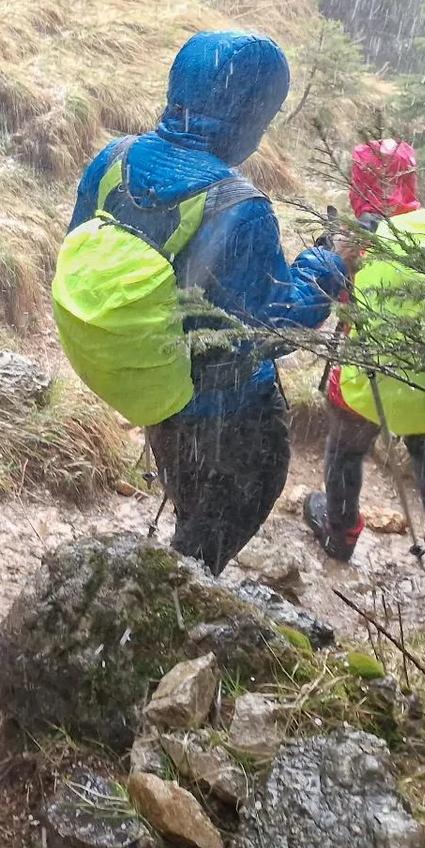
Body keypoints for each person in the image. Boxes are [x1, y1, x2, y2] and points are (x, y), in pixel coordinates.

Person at [69, 30, 348, 574]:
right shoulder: (237, 206)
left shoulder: (111, 160)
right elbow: (276, 323)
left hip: (156, 389)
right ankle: (166, 603)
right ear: (249, 116)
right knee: (220, 527)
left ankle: (171, 579)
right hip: (231, 416)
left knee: (193, 506)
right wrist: (330, 264)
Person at [305, 139, 425, 586]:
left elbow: (327, 297)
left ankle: (341, 531)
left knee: (346, 447)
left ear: (358, 183)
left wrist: (332, 251)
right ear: (411, 179)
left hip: (372, 380)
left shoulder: (359, 239)